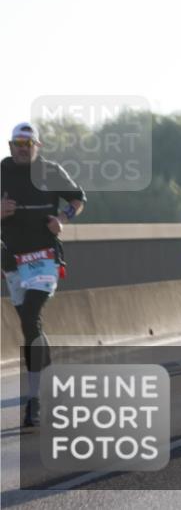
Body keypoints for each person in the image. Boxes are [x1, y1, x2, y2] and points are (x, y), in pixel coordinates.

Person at [1, 122, 86, 428]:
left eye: (28, 143)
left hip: (45, 258)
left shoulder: (51, 172)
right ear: (11, 146)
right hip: (13, 260)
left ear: (38, 145)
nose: (22, 149)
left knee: (31, 317)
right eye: (17, 143)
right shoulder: (3, 171)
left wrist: (63, 218)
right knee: (30, 326)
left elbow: (78, 199)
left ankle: (34, 399)